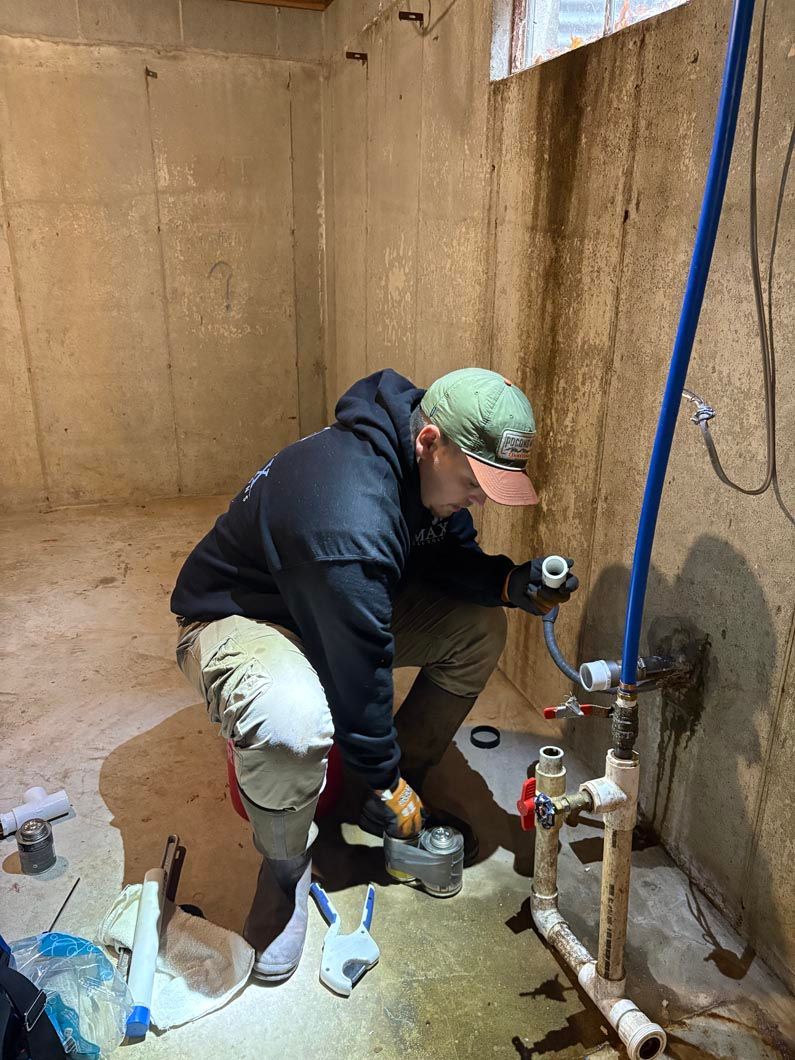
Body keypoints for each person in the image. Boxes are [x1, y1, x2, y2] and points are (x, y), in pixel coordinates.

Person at [171, 367, 578, 982]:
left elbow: (445, 554)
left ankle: (390, 786)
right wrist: (380, 771)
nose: (480, 498)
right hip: (243, 617)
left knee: (480, 626)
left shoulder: (420, 468)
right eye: (475, 482)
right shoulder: (350, 513)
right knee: (294, 719)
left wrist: (507, 583)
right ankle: (285, 869)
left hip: (327, 598)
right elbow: (361, 669)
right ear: (429, 440)